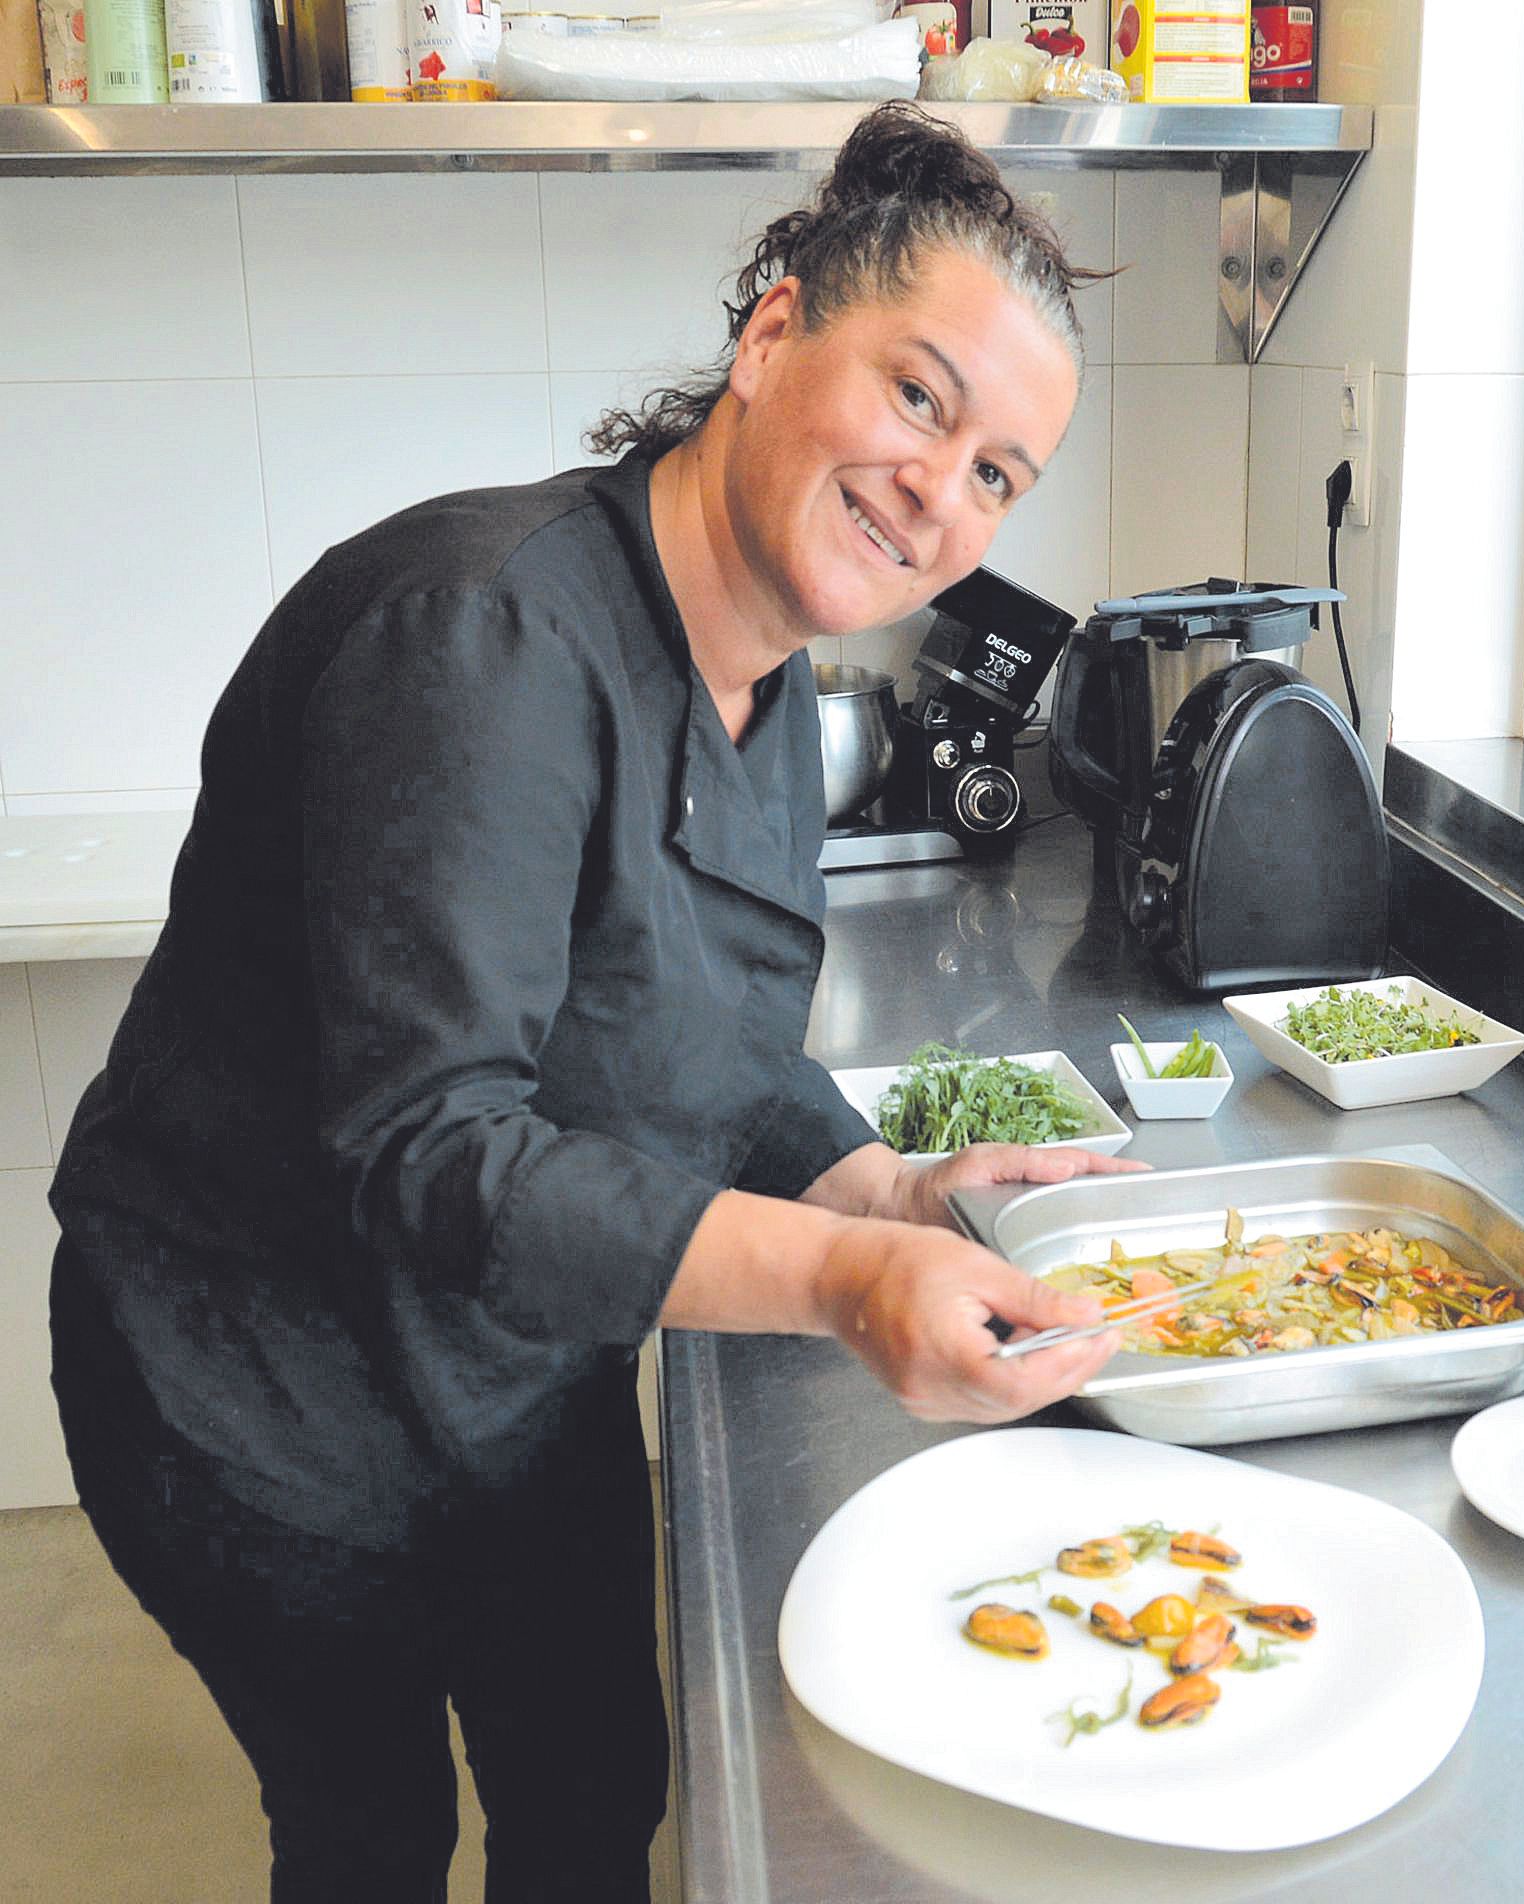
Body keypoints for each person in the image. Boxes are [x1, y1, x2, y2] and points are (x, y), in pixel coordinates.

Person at [47, 103, 1132, 1902]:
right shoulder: (480, 638)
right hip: (260, 1395)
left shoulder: (767, 689)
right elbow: (432, 1147)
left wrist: (879, 1187)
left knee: (592, 1795)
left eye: (1001, 471)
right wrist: (845, 1280)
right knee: (370, 1835)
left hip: (506, 1370)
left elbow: (690, 1041)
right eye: (920, 399)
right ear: (772, 331)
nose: (942, 492)